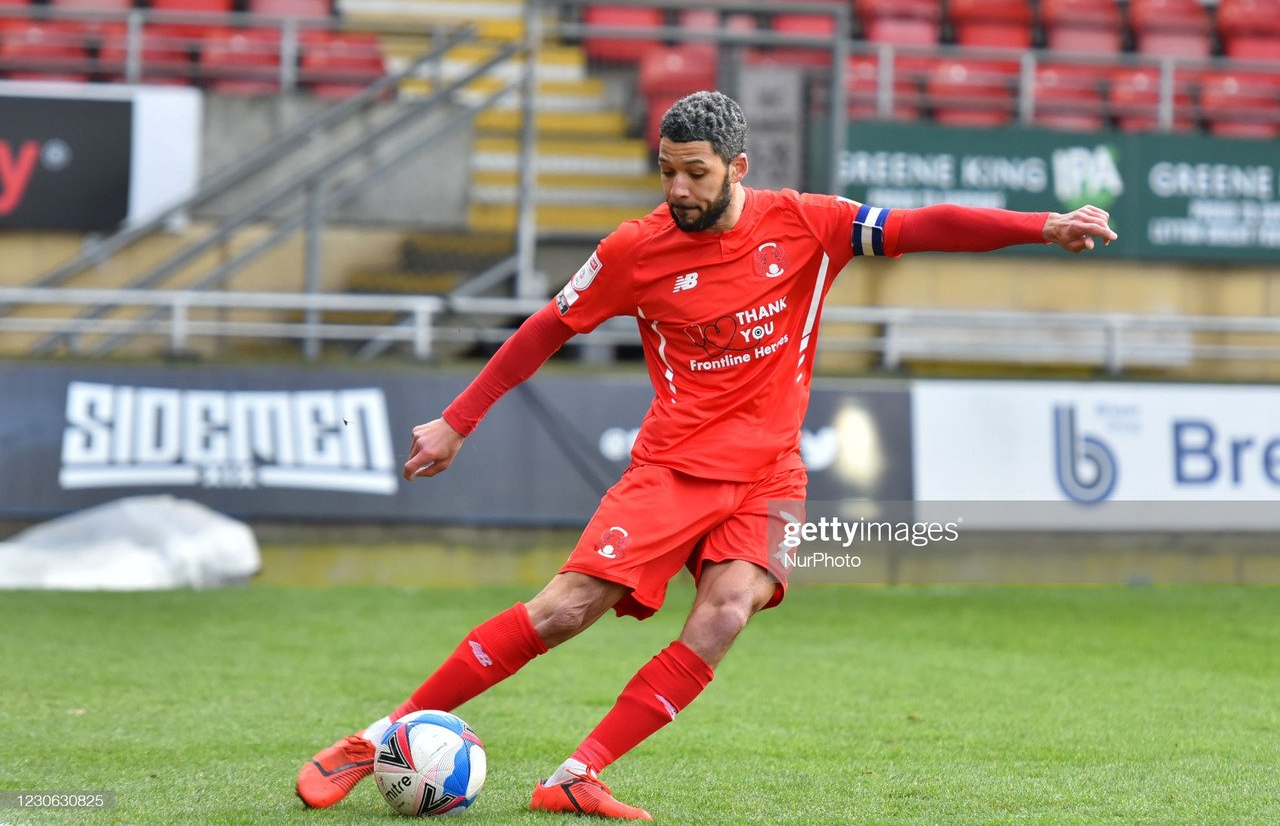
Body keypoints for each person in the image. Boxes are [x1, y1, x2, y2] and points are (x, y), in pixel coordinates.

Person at [295, 90, 1117, 819]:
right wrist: (456, 421)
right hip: (674, 468)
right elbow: (546, 326)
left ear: (737, 167)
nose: (678, 190)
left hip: (770, 475)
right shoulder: (634, 250)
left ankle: (577, 775)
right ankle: (375, 739)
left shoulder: (805, 223)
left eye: (694, 173)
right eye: (666, 173)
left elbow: (915, 226)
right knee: (563, 610)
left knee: (727, 611)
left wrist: (1041, 226)